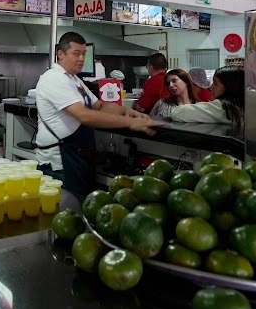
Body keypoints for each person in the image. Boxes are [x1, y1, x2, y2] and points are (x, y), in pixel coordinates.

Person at [35, 31, 164, 199]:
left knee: (81, 211)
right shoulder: (55, 78)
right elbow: (84, 115)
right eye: (76, 53)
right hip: (60, 164)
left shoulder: (74, 80)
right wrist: (129, 123)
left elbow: (99, 105)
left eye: (83, 54)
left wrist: (127, 111)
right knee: (65, 216)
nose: (81, 58)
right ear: (60, 54)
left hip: (79, 160)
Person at [170, 66, 245, 126]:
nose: (211, 87)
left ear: (229, 87)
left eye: (216, 84)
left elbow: (177, 112)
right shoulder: (244, 105)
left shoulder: (221, 107)